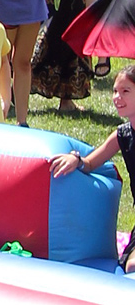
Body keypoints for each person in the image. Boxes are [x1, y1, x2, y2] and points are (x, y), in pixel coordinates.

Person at [50, 64, 135, 273]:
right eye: (115, 91)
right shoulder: (122, 136)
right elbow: (90, 163)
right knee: (132, 266)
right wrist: (75, 160)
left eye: (125, 91)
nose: (117, 97)